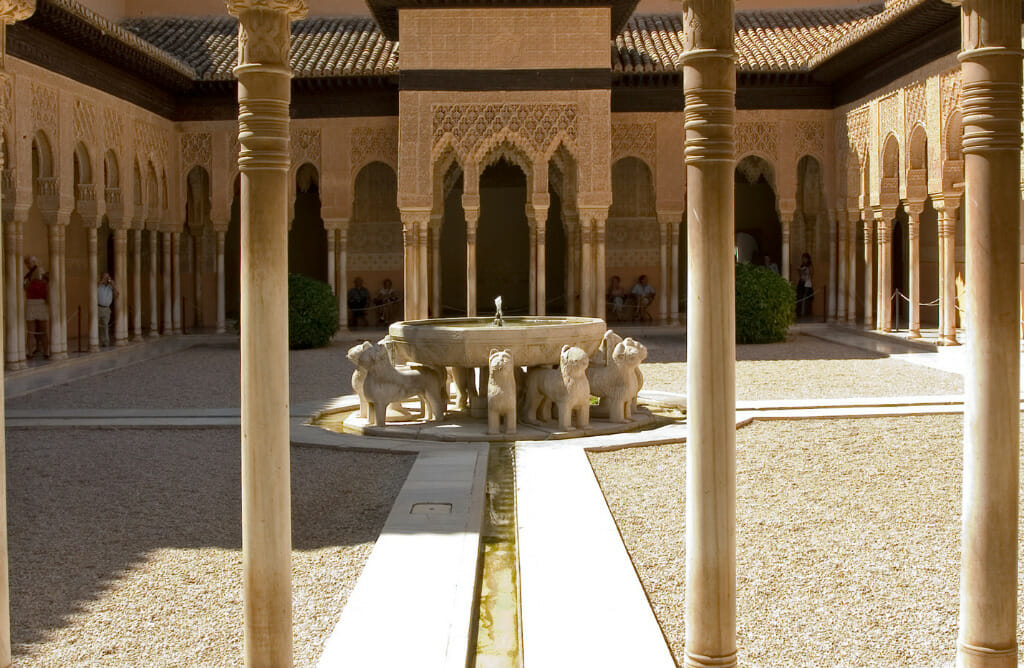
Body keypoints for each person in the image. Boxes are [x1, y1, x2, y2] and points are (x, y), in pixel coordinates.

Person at [23, 256, 49, 359]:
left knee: (43, 330)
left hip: (41, 302)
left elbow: (45, 284)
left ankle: (46, 352)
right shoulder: (27, 276)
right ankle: (29, 352)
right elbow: (26, 287)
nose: (28, 265)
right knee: (30, 331)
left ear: (34, 262)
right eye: (27, 263)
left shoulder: (40, 271)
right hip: (30, 302)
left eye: (29, 262)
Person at [97, 272, 118, 347]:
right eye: (104, 277)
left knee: (105, 326)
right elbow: (94, 288)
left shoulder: (111, 286)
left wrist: (113, 285)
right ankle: (95, 342)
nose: (106, 279)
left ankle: (105, 342)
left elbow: (117, 295)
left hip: (106, 308)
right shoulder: (99, 285)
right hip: (98, 308)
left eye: (107, 277)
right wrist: (102, 281)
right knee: (96, 326)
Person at [797, 252, 813, 317]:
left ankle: (806, 313)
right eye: (803, 258)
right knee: (799, 297)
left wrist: (805, 271)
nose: (803, 260)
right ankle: (799, 312)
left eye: (805, 258)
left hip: (807, 284)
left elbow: (811, 274)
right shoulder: (802, 265)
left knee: (806, 299)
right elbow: (800, 274)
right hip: (801, 282)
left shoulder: (810, 266)